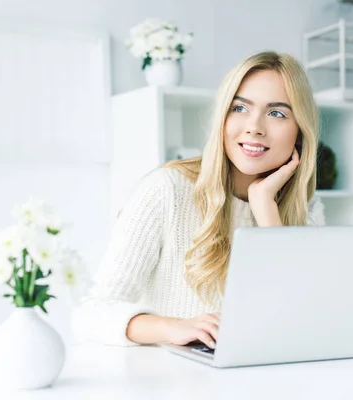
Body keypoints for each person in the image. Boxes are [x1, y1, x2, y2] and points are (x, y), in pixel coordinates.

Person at [72, 51, 325, 349]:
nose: (254, 126)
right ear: (222, 118)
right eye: (240, 108)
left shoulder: (307, 206)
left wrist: (265, 208)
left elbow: (302, 318)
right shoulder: (167, 189)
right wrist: (173, 328)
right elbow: (91, 313)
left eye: (277, 113)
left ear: (299, 133)